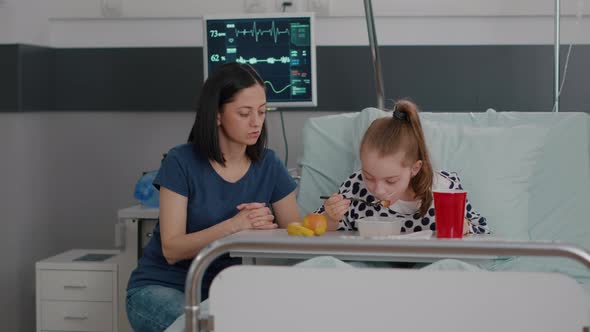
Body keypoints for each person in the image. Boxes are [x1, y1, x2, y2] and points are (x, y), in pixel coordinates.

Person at [126, 62, 301, 332]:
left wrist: (327, 217)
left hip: (227, 293)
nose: (256, 122)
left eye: (262, 112)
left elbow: (296, 232)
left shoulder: (269, 164)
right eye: (244, 113)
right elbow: (171, 249)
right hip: (163, 287)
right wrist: (235, 226)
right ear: (217, 115)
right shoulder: (180, 161)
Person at [319, 99, 490, 235]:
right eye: (369, 176)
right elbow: (317, 228)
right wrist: (330, 218)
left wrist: (465, 228)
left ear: (414, 169)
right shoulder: (354, 187)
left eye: (391, 180)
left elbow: (483, 230)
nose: (378, 190)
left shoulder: (444, 189)